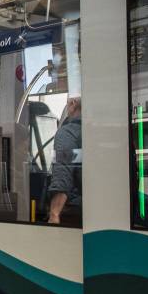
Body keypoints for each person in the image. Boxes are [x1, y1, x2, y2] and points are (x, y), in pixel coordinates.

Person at [48, 96, 82, 225]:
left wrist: (54, 214)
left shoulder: (68, 132)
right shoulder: (98, 130)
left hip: (74, 211)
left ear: (72, 104)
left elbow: (63, 171)